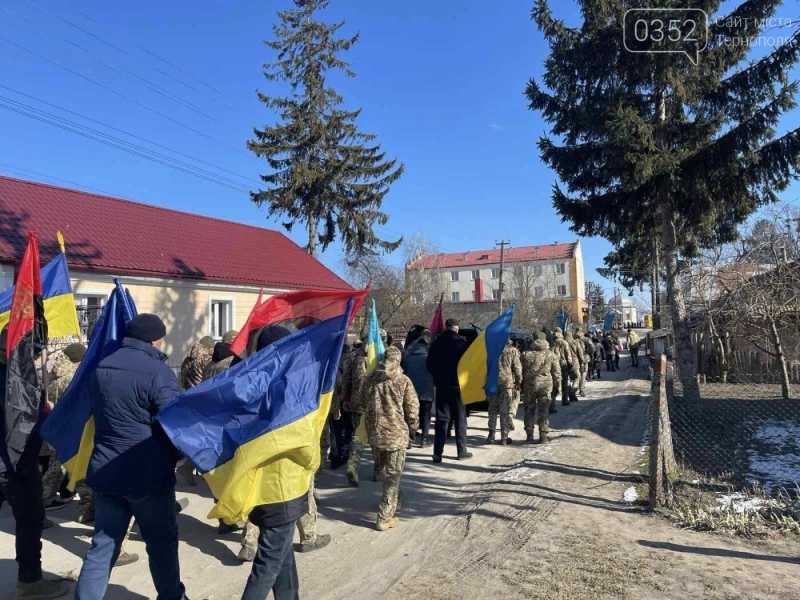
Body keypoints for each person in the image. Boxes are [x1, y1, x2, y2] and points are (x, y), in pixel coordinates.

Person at [74, 314, 187, 600]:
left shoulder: (102, 365)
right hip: (147, 474)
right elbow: (174, 420)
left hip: (106, 472)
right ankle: (171, 596)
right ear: (155, 339)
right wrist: (178, 457)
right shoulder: (157, 372)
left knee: (103, 546)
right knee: (161, 543)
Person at [0, 327, 70, 600]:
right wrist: (44, 414)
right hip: (17, 465)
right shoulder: (15, 382)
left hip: (9, 463)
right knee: (29, 523)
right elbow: (21, 425)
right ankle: (30, 583)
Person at [239, 325, 308, 600]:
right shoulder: (289, 385)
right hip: (282, 484)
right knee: (269, 560)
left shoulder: (249, 382)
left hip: (258, 482)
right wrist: (312, 463)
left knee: (282, 552)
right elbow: (302, 439)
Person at [362, 347, 419, 531]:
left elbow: (361, 402)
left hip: (376, 435)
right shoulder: (403, 381)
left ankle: (396, 500)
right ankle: (384, 517)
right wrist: (413, 427)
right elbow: (412, 408)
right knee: (392, 476)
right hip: (396, 435)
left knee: (387, 473)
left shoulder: (370, 379)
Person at [42, 343, 85, 509]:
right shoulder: (75, 378)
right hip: (73, 428)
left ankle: (43, 499)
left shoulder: (54, 377)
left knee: (57, 465)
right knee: (76, 465)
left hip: (56, 428)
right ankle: (88, 504)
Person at [426, 319, 472, 463]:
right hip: (458, 387)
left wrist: (438, 377)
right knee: (460, 419)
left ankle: (437, 453)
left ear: (446, 328)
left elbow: (429, 365)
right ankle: (461, 451)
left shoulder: (435, 344)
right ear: (457, 329)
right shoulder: (462, 344)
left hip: (441, 386)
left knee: (441, 420)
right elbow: (468, 366)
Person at [521, 333, 560, 444]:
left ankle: (529, 435)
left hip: (529, 386)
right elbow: (556, 372)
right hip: (545, 386)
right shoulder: (551, 355)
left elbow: (520, 371)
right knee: (544, 412)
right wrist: (557, 386)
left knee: (529, 410)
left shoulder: (525, 355)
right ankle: (543, 435)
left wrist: (519, 383)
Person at [401, 330, 435, 448]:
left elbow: (403, 373)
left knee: (410, 414)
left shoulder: (408, 358)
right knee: (426, 414)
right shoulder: (430, 358)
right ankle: (424, 440)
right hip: (427, 391)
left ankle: (411, 438)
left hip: (411, 391)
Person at [487, 339, 522, 445]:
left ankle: (491, 434)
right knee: (505, 410)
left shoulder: (492, 349)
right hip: (507, 382)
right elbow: (517, 368)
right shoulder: (513, 351)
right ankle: (504, 438)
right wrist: (518, 381)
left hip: (492, 381)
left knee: (492, 409)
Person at [551, 328, 578, 406]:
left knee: (554, 384)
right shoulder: (564, 342)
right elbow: (568, 355)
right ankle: (565, 400)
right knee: (565, 383)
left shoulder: (551, 342)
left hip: (554, 365)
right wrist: (570, 365)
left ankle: (552, 403)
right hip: (563, 365)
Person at [564, 331, 586, 399]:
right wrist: (582, 361)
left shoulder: (563, 342)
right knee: (577, 377)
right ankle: (573, 391)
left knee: (568, 379)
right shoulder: (575, 342)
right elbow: (580, 353)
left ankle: (569, 392)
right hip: (575, 363)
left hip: (564, 363)